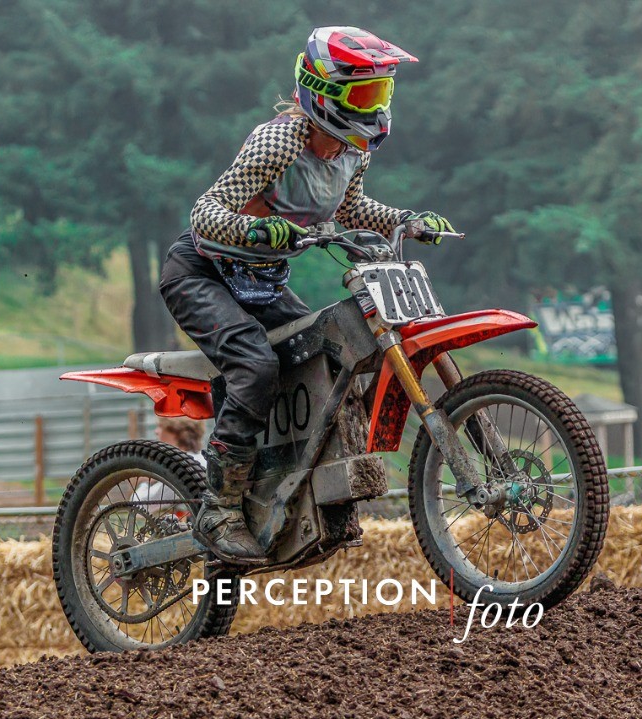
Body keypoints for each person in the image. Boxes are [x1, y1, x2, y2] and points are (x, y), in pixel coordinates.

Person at [159, 27, 454, 564]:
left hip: (263, 281)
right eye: (365, 94)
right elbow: (205, 213)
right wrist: (255, 230)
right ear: (325, 92)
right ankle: (219, 508)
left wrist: (405, 221)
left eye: (382, 92)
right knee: (255, 365)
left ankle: (285, 486)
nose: (376, 106)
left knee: (326, 358)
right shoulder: (279, 142)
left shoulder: (353, 150)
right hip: (201, 274)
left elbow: (351, 209)